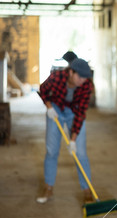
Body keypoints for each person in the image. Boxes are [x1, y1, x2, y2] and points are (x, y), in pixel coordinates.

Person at [36, 58, 94, 204]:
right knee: (51, 150)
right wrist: (49, 107)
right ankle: (48, 188)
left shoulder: (87, 86)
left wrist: (73, 140)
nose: (82, 80)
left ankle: (87, 191)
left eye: (85, 78)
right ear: (70, 72)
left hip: (74, 111)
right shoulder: (56, 77)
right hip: (56, 108)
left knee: (80, 152)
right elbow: (42, 90)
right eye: (79, 76)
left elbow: (81, 113)